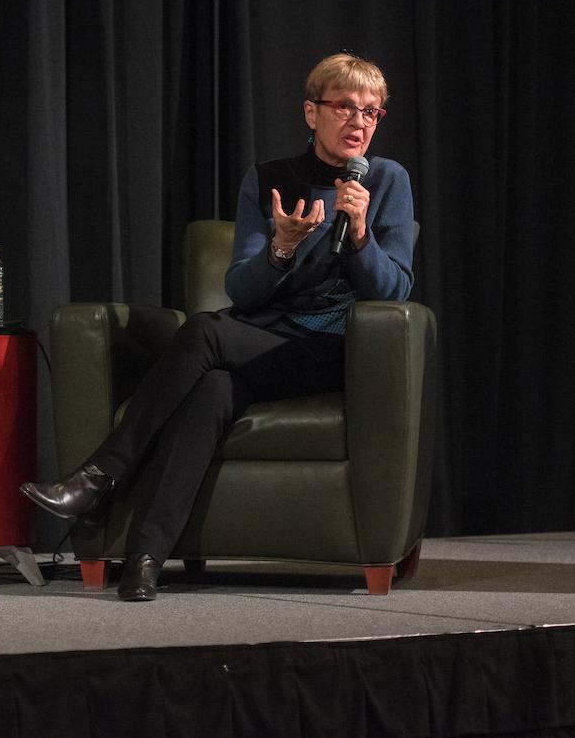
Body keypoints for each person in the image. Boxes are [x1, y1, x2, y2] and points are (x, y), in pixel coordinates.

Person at [21, 53, 415, 601]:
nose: (359, 122)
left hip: (330, 347)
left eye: (371, 112)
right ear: (311, 112)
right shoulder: (270, 180)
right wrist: (281, 247)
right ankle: (144, 558)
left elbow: (392, 291)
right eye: (345, 107)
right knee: (211, 390)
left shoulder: (387, 182)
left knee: (205, 332)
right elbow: (243, 290)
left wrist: (358, 231)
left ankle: (98, 477)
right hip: (262, 339)